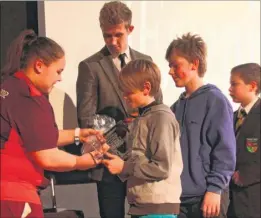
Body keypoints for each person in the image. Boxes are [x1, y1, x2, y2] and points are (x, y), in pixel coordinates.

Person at [0, 29, 107, 218]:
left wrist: (77, 134)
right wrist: (81, 162)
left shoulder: (9, 87)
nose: (60, 78)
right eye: (58, 71)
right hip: (14, 197)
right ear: (39, 66)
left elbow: (34, 136)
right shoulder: (29, 98)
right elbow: (45, 155)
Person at [76, 1, 162, 218]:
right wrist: (111, 154)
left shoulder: (146, 61)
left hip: (142, 162)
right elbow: (86, 118)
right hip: (108, 165)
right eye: (107, 36)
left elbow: (157, 108)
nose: (112, 42)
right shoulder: (90, 66)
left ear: (130, 29)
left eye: (118, 35)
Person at [165, 33, 236, 218]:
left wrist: (215, 189)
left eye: (175, 65)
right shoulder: (175, 107)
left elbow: (225, 151)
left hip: (206, 199)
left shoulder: (215, 101)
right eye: (169, 66)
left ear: (194, 64)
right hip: (179, 199)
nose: (170, 71)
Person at [102, 59, 183, 218]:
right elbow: (140, 158)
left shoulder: (161, 118)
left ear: (146, 88)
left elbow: (161, 167)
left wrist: (124, 167)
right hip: (143, 206)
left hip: (158, 209)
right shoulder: (143, 118)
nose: (124, 97)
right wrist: (111, 153)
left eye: (129, 92)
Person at [227, 63, 260, 218]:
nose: (230, 89)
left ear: (252, 86)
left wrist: (246, 175)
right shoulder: (232, 117)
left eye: (234, 84)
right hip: (230, 200)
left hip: (253, 199)